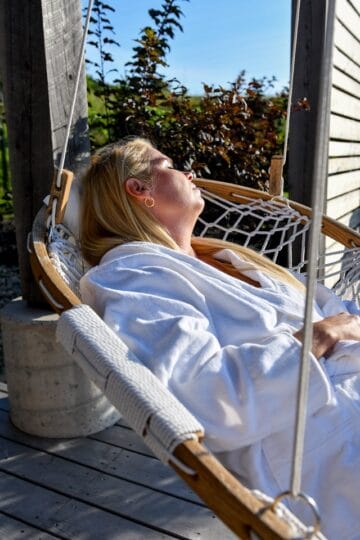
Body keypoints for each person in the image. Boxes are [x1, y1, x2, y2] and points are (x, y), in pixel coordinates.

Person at [80, 137, 360, 540]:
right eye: (171, 164)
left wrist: (338, 325)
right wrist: (323, 335)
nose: (190, 173)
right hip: (330, 453)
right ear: (139, 189)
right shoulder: (135, 278)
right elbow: (212, 398)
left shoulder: (222, 258)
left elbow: (332, 305)